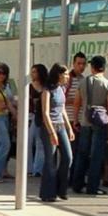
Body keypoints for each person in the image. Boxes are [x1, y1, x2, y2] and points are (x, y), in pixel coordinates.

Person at [71, 55, 108, 195]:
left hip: (85, 122)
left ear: (92, 67)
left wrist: (75, 120)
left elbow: (76, 102)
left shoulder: (83, 82)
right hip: (100, 123)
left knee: (82, 154)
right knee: (96, 156)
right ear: (104, 67)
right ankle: (92, 187)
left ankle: (77, 184)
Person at [37, 63, 75, 203]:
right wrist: (52, 133)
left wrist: (69, 127)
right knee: (50, 160)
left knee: (68, 157)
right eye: (65, 74)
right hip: (49, 127)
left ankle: (61, 189)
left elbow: (62, 108)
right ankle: (48, 193)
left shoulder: (61, 89)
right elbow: (45, 113)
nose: (67, 77)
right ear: (58, 75)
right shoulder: (47, 90)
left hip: (61, 125)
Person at [26, 65, 46, 178]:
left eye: (35, 72)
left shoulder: (45, 87)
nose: (32, 74)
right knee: (29, 141)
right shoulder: (29, 87)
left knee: (40, 143)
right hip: (31, 116)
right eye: (32, 72)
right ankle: (28, 168)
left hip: (42, 116)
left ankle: (38, 169)